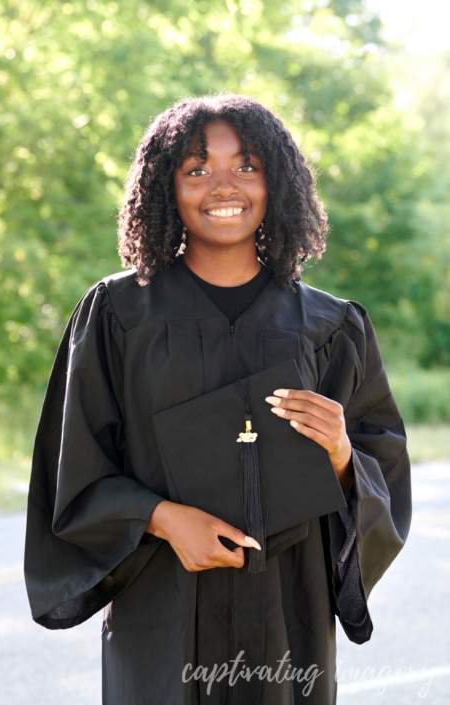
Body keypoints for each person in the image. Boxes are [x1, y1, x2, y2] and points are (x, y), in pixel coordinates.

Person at [24, 94, 411, 705]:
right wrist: (165, 519)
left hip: (290, 612)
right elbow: (73, 471)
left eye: (246, 166)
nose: (222, 187)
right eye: (197, 169)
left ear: (275, 182)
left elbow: (380, 470)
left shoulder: (330, 326)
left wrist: (341, 454)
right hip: (162, 608)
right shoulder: (118, 316)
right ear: (166, 188)